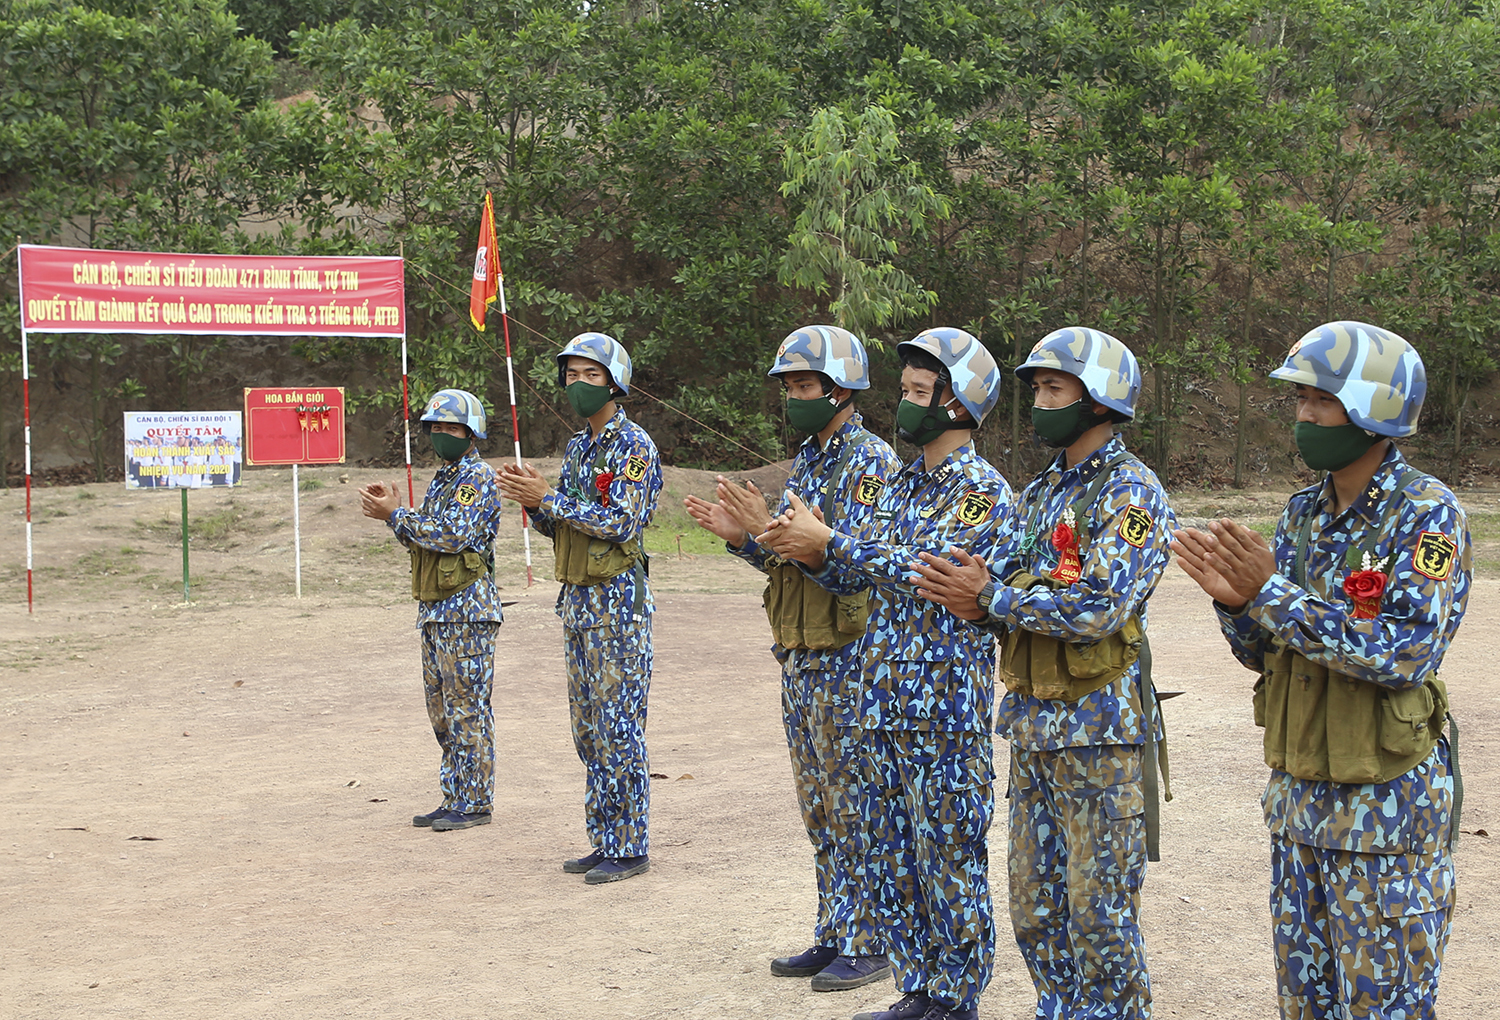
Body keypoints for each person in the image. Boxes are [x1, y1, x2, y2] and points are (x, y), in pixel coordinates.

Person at [1171, 321, 1469, 1019]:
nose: (1303, 417)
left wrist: (1272, 594)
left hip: (1384, 820)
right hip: (1302, 810)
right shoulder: (1302, 513)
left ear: (1374, 409)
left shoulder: (1427, 515)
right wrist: (1239, 606)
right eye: (1300, 401)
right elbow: (1267, 652)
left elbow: (1405, 653)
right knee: (1304, 1004)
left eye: (1319, 402)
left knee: (1384, 1005)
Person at [911, 327, 1172, 1019]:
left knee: (1099, 915)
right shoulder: (1042, 491)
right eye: (1037, 389)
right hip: (1033, 728)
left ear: (1101, 402)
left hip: (1098, 735)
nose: (1040, 402)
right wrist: (974, 595)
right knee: (1035, 908)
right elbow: (1011, 595)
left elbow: (1098, 606)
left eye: (1054, 388)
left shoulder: (1132, 494)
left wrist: (992, 596)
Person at [757, 327, 1010, 1020]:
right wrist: (805, 548)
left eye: (919, 392)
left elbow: (933, 572)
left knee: (948, 859)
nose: (904, 403)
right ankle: (918, 988)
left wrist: (834, 540)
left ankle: (956, 998)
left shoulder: (982, 492)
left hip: (943, 709)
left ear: (958, 405)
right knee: (893, 857)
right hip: (880, 700)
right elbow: (852, 572)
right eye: (904, 391)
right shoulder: (901, 485)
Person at [684, 325, 901, 992]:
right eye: (790, 388)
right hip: (801, 657)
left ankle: (874, 939)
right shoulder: (809, 461)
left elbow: (857, 575)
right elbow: (790, 561)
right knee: (820, 806)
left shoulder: (872, 463)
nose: (794, 398)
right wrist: (746, 540)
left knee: (861, 804)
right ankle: (834, 928)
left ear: (842, 389)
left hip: (851, 659)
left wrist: (775, 534)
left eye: (805, 386)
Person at [496, 332, 662, 885]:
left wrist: (550, 499)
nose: (578, 385)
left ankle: (630, 843)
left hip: (618, 604)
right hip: (579, 602)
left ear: (615, 383)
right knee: (588, 729)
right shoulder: (577, 448)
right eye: (571, 375)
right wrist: (533, 503)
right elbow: (561, 522)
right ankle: (603, 838)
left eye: (591, 375)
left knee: (619, 727)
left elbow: (621, 522)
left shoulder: (633, 446)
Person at [359, 388, 503, 832]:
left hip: (468, 611)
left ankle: (475, 801)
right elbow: (421, 539)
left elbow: (450, 536)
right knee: (440, 710)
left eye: (451, 427)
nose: (442, 434)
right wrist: (396, 513)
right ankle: (454, 795)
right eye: (436, 427)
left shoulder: (476, 478)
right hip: (436, 609)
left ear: (471, 432)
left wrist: (396, 513)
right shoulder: (444, 478)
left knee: (467, 708)